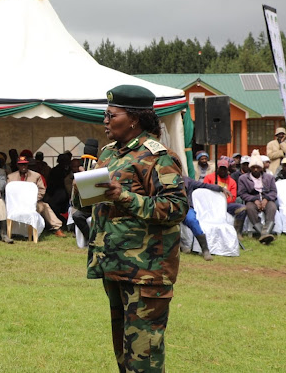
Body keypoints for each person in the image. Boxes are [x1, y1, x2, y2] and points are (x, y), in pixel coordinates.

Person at [83, 85, 187, 373]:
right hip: (115, 265)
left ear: (134, 119)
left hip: (147, 271)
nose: (105, 119)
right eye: (105, 113)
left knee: (145, 358)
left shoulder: (157, 157)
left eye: (111, 114)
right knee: (124, 354)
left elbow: (176, 207)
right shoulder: (108, 154)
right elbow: (99, 203)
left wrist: (124, 196)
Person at [7, 156, 66, 237]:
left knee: (44, 206)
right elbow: (9, 192)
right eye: (21, 165)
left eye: (25, 164)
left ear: (28, 165)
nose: (23, 167)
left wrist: (33, 200)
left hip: (32, 203)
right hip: (16, 204)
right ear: (17, 165)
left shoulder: (36, 176)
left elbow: (41, 191)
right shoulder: (11, 177)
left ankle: (57, 228)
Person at [237, 150, 277, 244]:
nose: (255, 169)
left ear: (261, 168)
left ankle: (265, 232)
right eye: (253, 167)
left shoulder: (269, 177)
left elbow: (274, 192)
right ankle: (263, 233)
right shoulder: (243, 178)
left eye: (258, 167)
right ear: (250, 168)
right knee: (250, 208)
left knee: (272, 207)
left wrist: (266, 199)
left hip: (266, 198)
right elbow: (242, 193)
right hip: (251, 199)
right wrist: (254, 199)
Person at [182, 175, 224, 261]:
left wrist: (221, 188)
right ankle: (179, 245)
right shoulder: (164, 179)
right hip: (169, 207)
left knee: (192, 220)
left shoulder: (187, 180)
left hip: (186, 208)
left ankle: (205, 250)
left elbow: (204, 185)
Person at [204, 159, 245, 239]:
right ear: (217, 168)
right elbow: (205, 192)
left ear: (227, 169)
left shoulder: (232, 181)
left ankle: (237, 233)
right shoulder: (209, 178)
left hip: (226, 204)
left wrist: (222, 202)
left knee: (242, 208)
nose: (222, 170)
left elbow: (232, 198)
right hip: (211, 204)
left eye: (224, 169)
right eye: (221, 168)